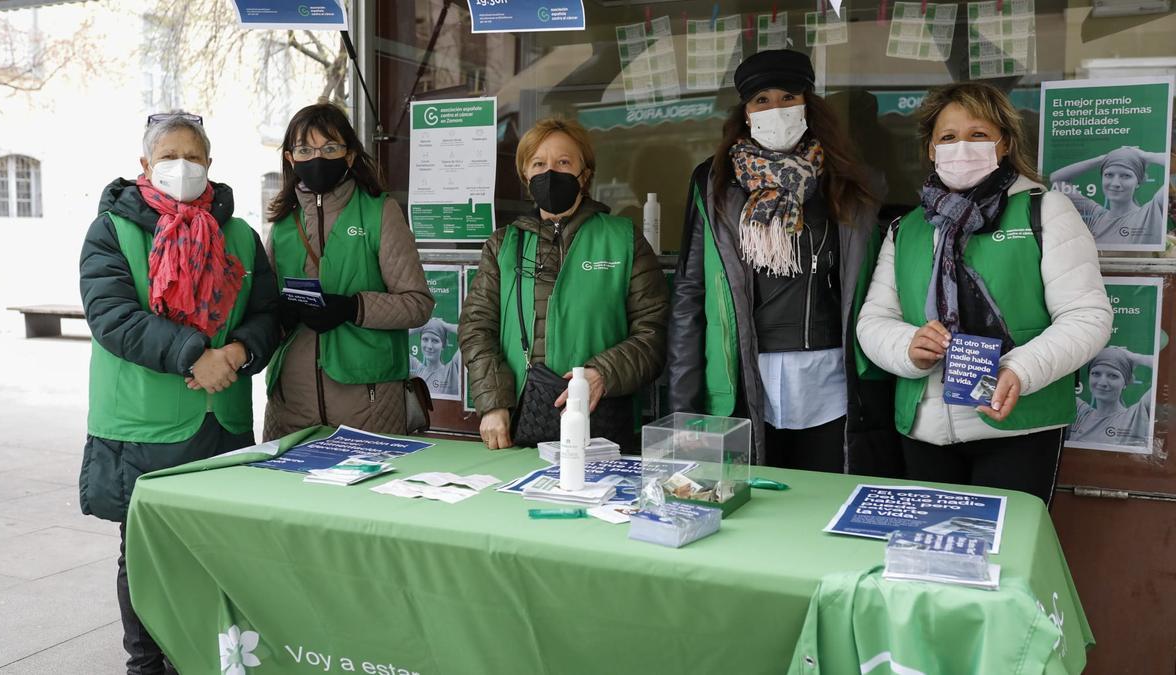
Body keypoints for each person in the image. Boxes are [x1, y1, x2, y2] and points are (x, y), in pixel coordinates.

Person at [78, 112, 280, 675]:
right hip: (143, 425)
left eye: (194, 156)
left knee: (216, 551)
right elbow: (112, 316)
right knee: (145, 553)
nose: (183, 167)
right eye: (170, 156)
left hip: (222, 423)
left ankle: (202, 656)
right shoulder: (112, 231)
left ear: (210, 164)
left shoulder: (238, 234)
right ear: (145, 164)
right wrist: (197, 354)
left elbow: (267, 313)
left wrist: (237, 354)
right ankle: (146, 664)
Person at [856, 82, 1113, 504]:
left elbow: (1088, 317)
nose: (962, 147)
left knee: (1003, 559)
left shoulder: (1043, 210)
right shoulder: (907, 229)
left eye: (978, 135)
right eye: (948, 137)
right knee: (931, 560)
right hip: (924, 427)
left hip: (1018, 426)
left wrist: (1018, 370)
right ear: (931, 150)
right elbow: (873, 320)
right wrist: (907, 347)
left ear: (1005, 143)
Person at [667, 49, 895, 473]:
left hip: (832, 381)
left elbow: (879, 287)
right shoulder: (715, 183)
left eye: (788, 97)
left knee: (823, 506)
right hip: (742, 379)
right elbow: (690, 292)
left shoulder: (850, 183)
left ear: (809, 104)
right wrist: (684, 404)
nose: (776, 109)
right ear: (746, 112)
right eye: (762, 100)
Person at [459, 117, 669, 449]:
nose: (550, 173)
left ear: (584, 174)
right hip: (517, 424)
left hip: (599, 422)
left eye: (564, 162)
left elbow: (653, 332)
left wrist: (603, 373)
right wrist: (493, 402)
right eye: (539, 164)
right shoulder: (503, 245)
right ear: (525, 175)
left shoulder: (623, 239)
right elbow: (476, 328)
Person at [263, 103, 433, 440]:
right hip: (292, 403)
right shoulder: (284, 222)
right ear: (289, 158)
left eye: (330, 148)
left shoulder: (379, 212)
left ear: (350, 155)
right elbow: (264, 307)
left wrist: (352, 308)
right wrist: (280, 313)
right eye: (305, 150)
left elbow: (418, 304)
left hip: (366, 402)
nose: (317, 158)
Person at [1051, 145, 1170, 247]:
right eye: (1109, 175)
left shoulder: (1150, 212)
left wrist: (1146, 156)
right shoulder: (1096, 216)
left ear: (1138, 182)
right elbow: (1056, 179)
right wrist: (1102, 159)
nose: (1115, 183)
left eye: (1125, 176)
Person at [1069, 346, 1154, 448]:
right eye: (1096, 373)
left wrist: (1135, 357)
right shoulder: (1078, 412)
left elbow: (1166, 369)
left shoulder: (1136, 416)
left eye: (1113, 376)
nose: (1102, 382)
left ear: (1125, 382)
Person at [411, 317, 461, 397]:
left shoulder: (452, 370)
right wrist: (419, 327)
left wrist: (445, 326)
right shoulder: (416, 369)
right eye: (425, 339)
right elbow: (396, 337)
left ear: (443, 345)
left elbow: (471, 334)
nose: (429, 346)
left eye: (435, 341)